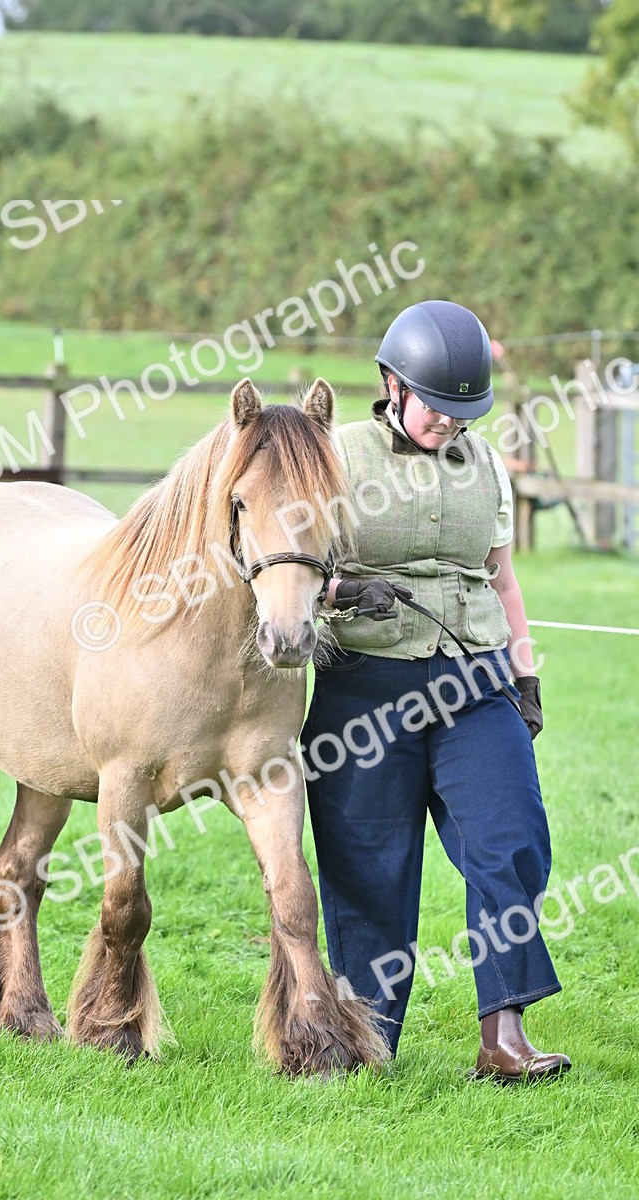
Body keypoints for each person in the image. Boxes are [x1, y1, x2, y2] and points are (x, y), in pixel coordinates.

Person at [301, 299, 570, 1082]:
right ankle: (366, 1039)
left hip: (474, 679)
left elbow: (503, 579)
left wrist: (526, 675)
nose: (450, 424)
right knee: (369, 870)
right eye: (438, 408)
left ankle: (504, 1036)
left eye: (463, 413)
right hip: (363, 690)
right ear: (391, 384)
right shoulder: (335, 454)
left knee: (510, 839)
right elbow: (285, 567)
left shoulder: (483, 465)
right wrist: (346, 591)